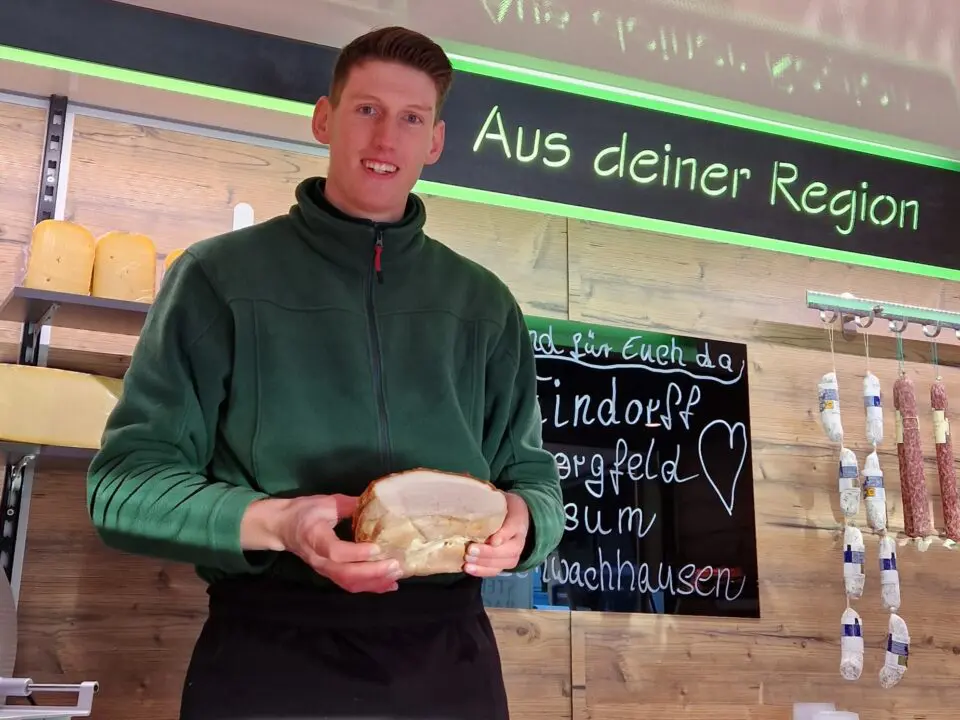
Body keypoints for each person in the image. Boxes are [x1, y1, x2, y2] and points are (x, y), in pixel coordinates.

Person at [85, 24, 564, 720]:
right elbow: (122, 491)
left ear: (435, 142)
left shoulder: (485, 305)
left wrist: (527, 521)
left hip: (448, 659)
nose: (385, 139)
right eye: (367, 109)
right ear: (324, 118)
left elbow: (532, 476)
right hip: (270, 652)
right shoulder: (218, 279)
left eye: (411, 118)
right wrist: (279, 523)